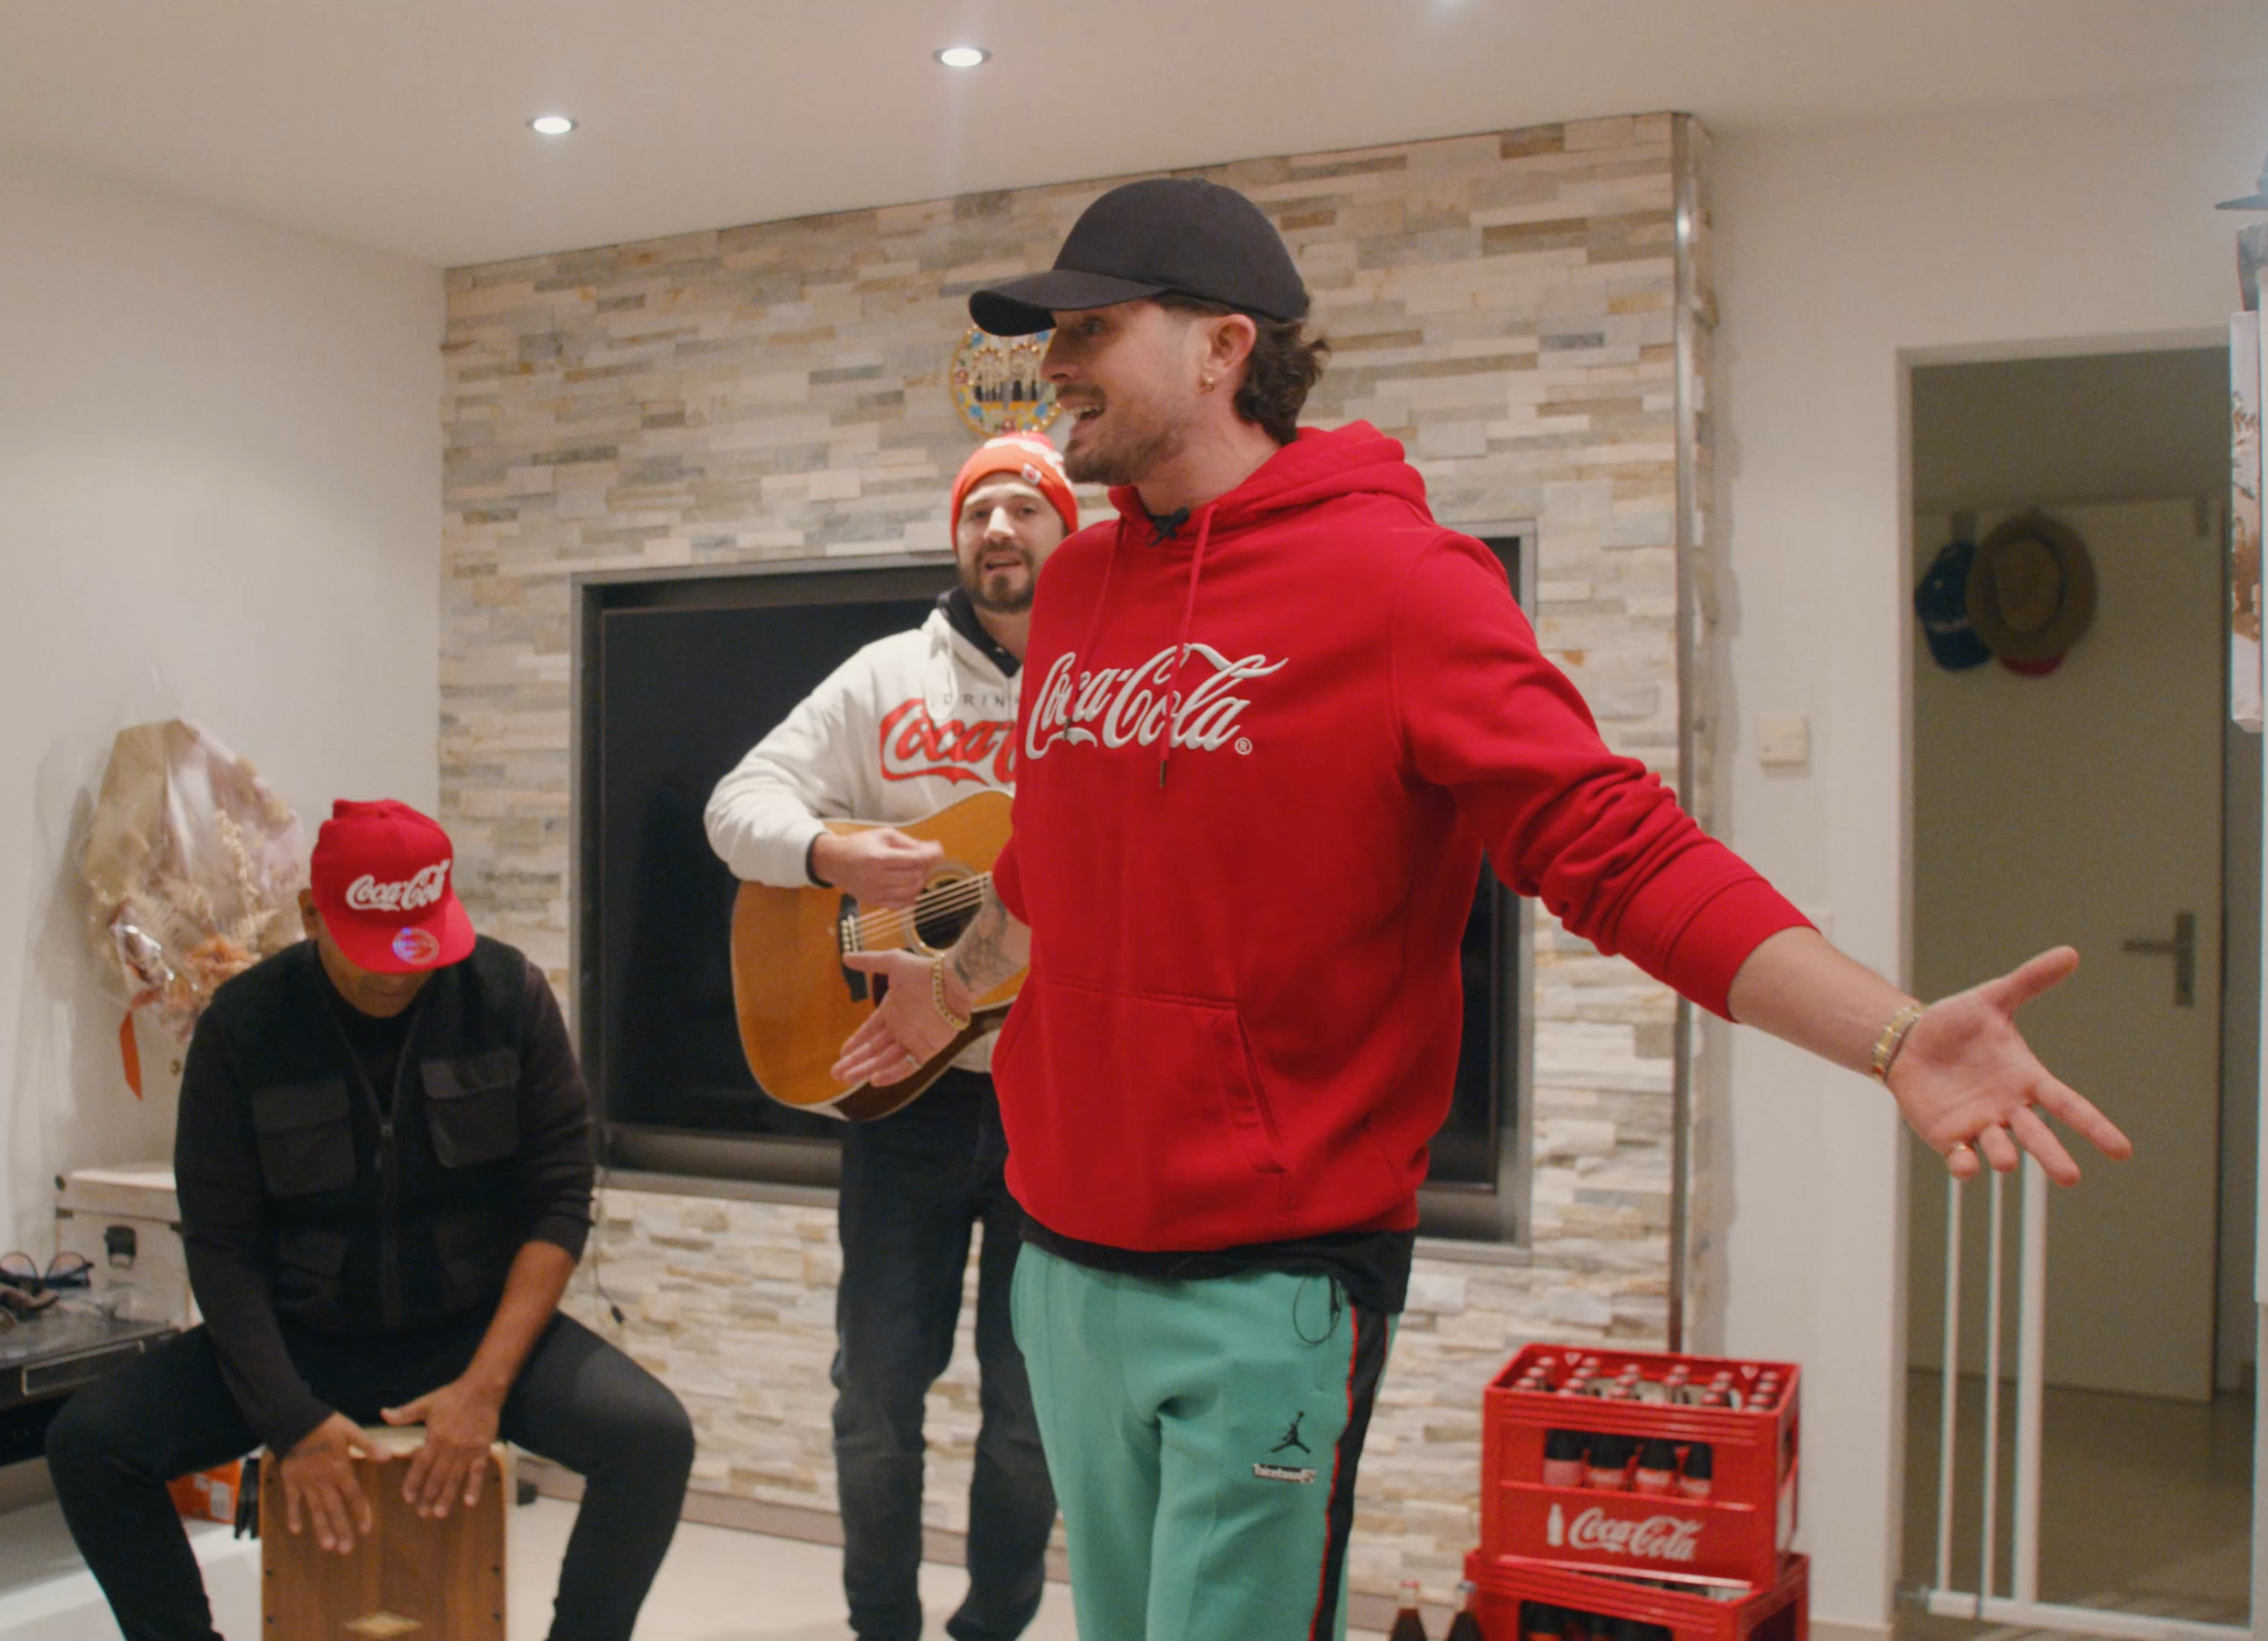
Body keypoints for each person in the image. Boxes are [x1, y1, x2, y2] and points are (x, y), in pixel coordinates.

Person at [834, 178, 2134, 1641]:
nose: (1054, 362)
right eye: (1051, 331)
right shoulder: (1075, 587)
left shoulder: (1401, 583)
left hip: (1269, 1289)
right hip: (1062, 1262)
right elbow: (1041, 875)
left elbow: (1616, 846)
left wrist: (1893, 1034)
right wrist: (952, 988)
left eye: (1091, 327)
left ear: (1220, 349)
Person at [46, 799, 694, 1641]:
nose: (394, 973)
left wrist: (485, 1387)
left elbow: (560, 1200)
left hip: (468, 1332)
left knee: (652, 1439)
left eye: (415, 949)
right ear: (312, 914)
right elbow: (222, 1244)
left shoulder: (508, 997)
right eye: (368, 950)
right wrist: (289, 1418)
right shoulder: (242, 1028)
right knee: (90, 1444)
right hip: (300, 1338)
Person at [705, 434, 1076, 1641]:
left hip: (1058, 1104)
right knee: (874, 1396)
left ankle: (994, 1628)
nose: (1001, 529)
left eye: (1027, 506)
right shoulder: (879, 680)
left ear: (1068, 533)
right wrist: (831, 851)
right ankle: (881, 1630)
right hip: (900, 1093)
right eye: (980, 511)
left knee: (1033, 1411)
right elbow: (735, 807)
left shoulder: (1109, 683)